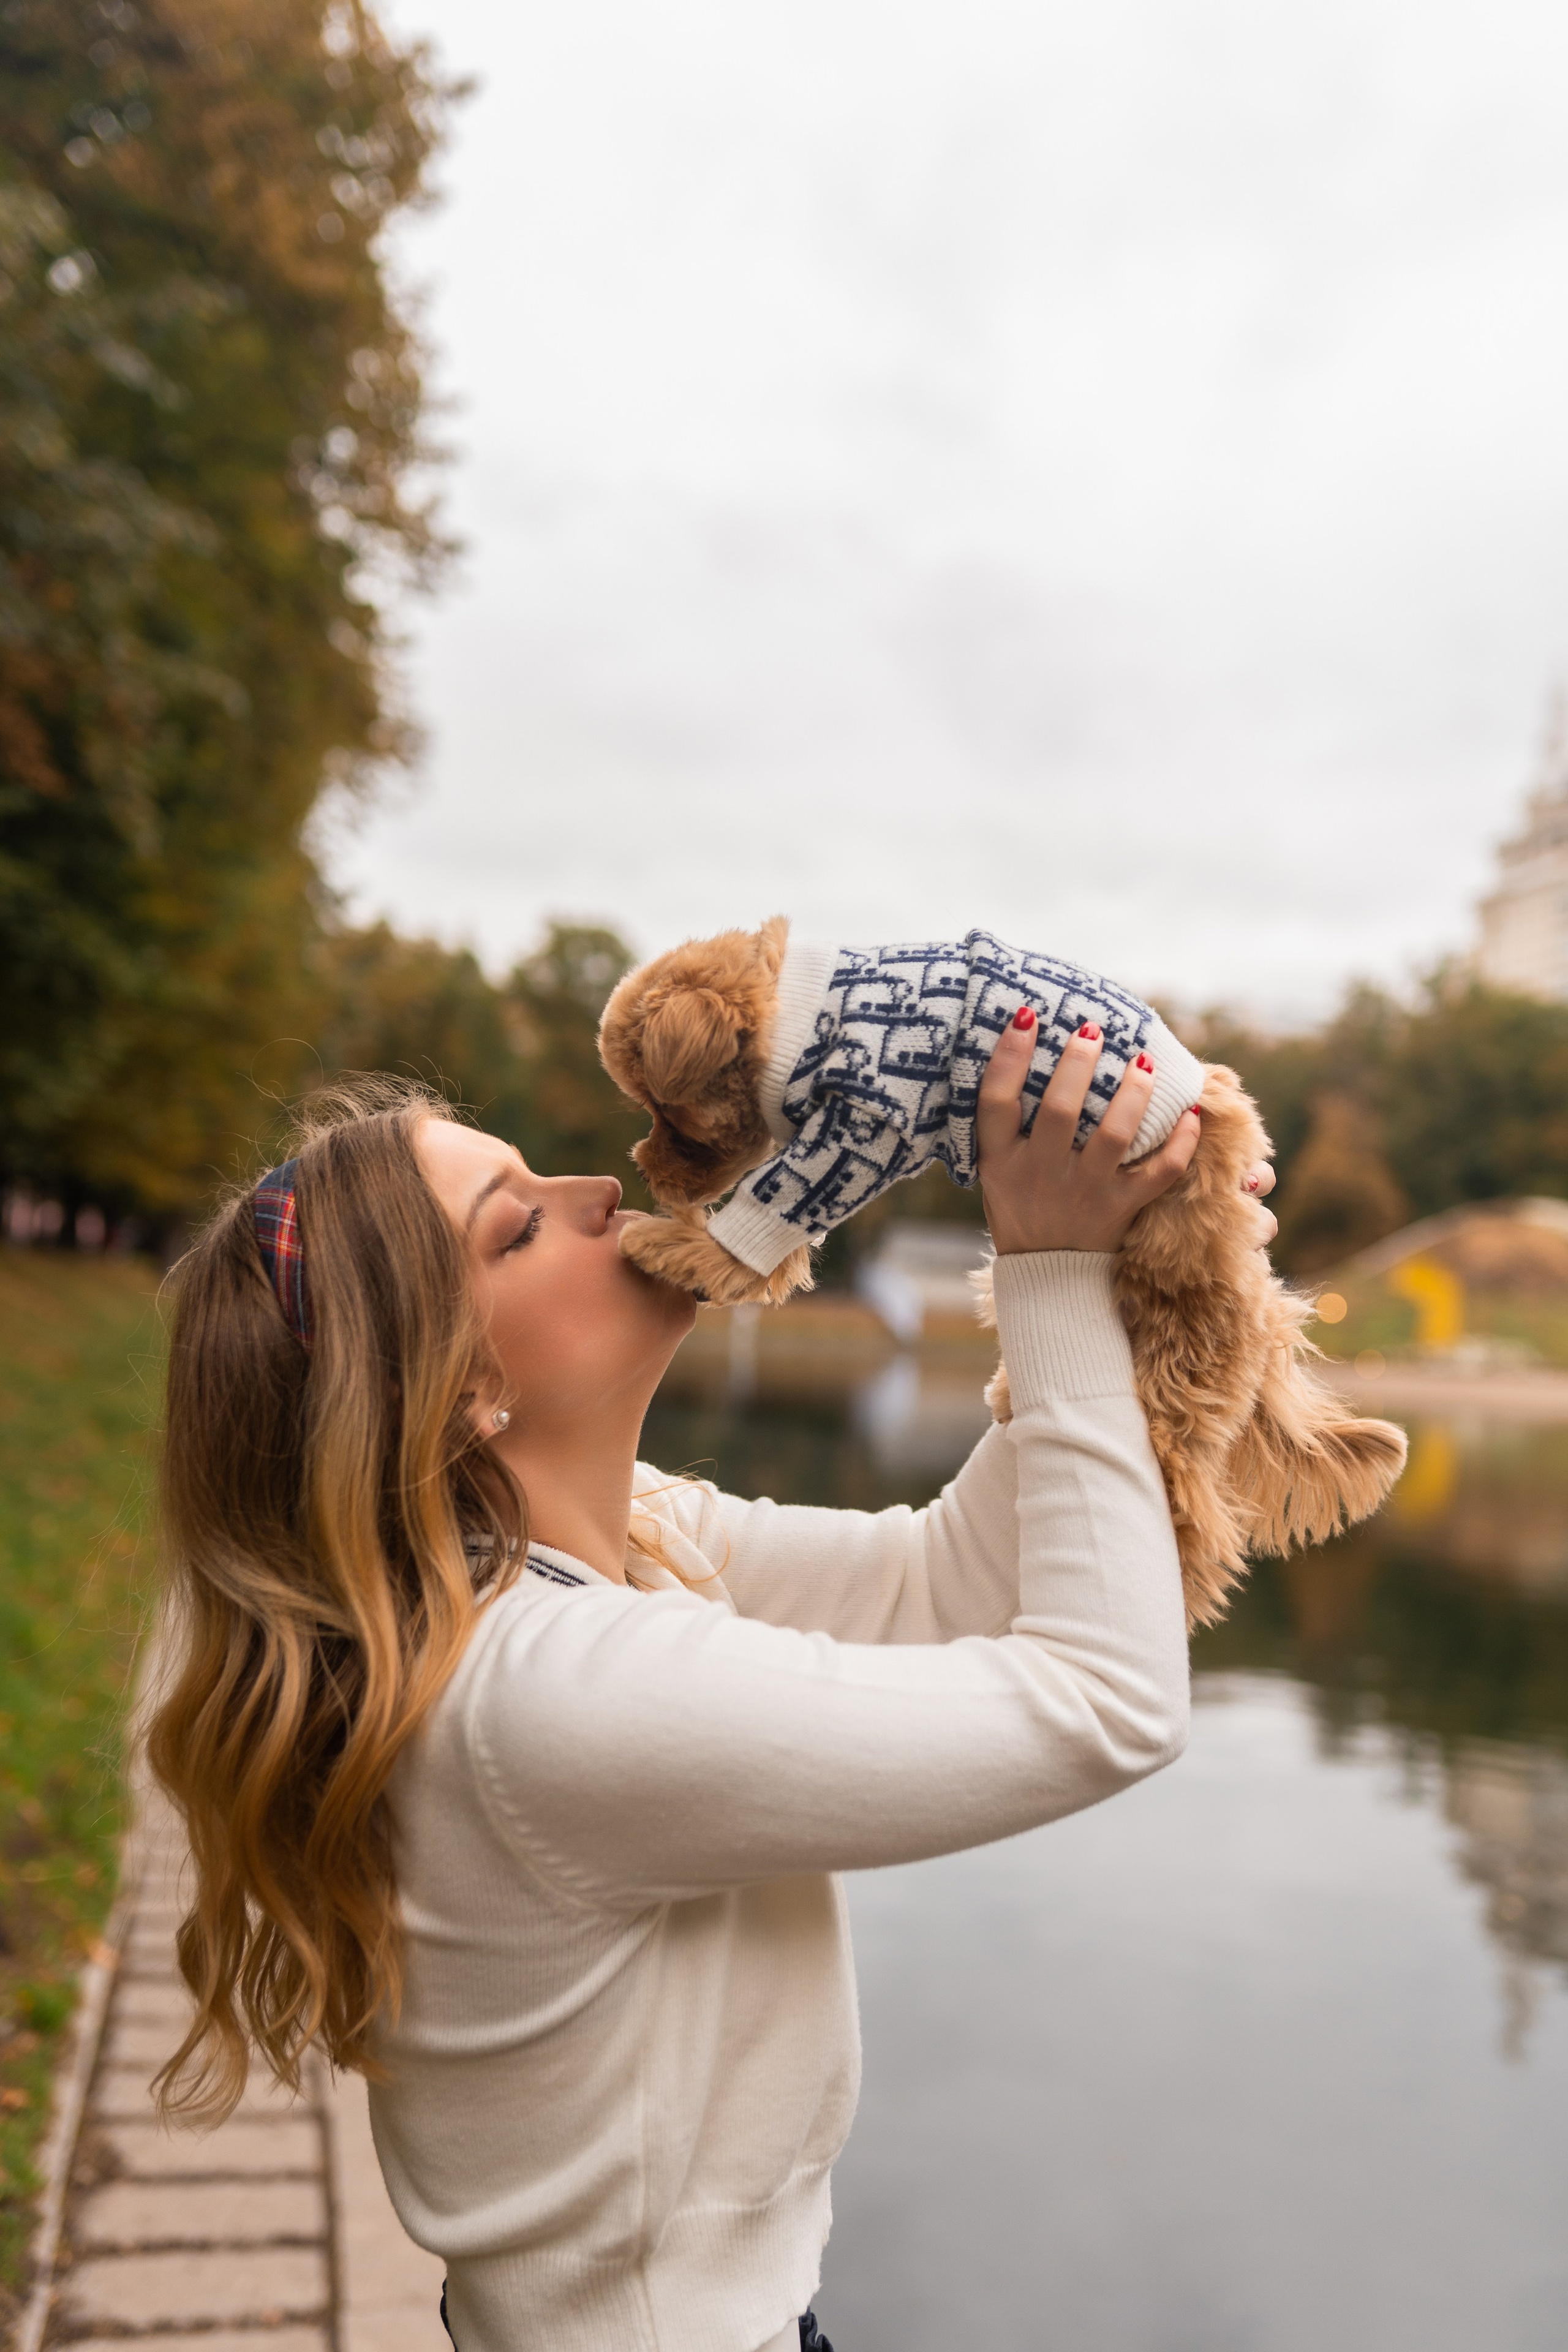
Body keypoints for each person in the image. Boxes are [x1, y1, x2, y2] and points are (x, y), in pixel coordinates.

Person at [148, 1013, 1275, 2352]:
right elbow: (1105, 1705)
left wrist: (1122, 1258)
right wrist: (1044, 1267)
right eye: (518, 1229)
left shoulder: (606, 1545)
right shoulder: (545, 1693)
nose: (599, 1194)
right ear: (455, 1394)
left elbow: (941, 1587)